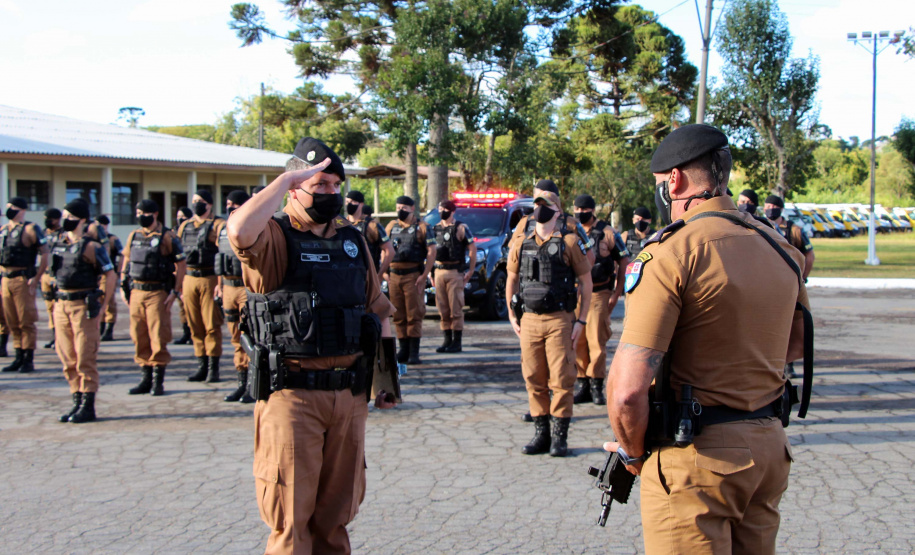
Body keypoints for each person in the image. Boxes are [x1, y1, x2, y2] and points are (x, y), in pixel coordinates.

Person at [604, 124, 810, 553]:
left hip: (695, 459)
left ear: (674, 181)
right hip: (768, 449)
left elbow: (626, 392)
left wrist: (634, 455)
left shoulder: (670, 253)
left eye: (661, 186)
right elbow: (793, 348)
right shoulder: (780, 250)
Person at [227, 137, 396, 554]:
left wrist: (386, 381)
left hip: (348, 395)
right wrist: (285, 179)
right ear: (295, 187)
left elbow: (378, 311)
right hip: (294, 396)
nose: (330, 193)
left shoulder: (352, 240)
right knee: (290, 523)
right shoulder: (275, 236)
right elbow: (239, 230)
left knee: (335, 521)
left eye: (335, 185)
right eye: (319, 184)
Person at [506, 190, 592, 457]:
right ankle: (541, 433)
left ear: (558, 210)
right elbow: (511, 277)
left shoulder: (568, 242)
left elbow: (586, 283)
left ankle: (559, 437)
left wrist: (581, 320)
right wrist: (511, 313)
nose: (540, 209)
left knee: (562, 379)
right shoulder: (521, 242)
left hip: (559, 320)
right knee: (533, 377)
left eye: (546, 205)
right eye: (537, 205)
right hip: (529, 318)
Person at [51, 199, 116, 423]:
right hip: (62, 304)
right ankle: (76, 402)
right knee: (67, 356)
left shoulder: (92, 247)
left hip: (82, 306)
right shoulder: (59, 243)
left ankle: (88, 406)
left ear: (82, 220)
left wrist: (104, 305)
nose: (66, 221)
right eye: (64, 217)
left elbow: (110, 275)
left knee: (84, 356)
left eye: (70, 217)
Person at [121, 199, 186, 396]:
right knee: (138, 335)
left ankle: (158, 381)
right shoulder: (134, 235)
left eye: (144, 212)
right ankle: (145, 378)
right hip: (137, 292)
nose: (140, 215)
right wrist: (124, 284)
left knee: (158, 335)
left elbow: (181, 264)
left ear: (155, 214)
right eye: (138, 211)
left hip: (158, 292)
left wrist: (175, 291)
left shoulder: (167, 236)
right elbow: (127, 260)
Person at [571, 194, 627, 406]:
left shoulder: (608, 233)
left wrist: (616, 292)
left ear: (592, 211)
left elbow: (623, 260)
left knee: (596, 340)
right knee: (578, 340)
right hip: (576, 294)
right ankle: (583, 383)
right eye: (577, 209)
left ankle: (596, 386)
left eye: (584, 210)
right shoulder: (572, 231)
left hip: (599, 293)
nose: (579, 213)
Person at [764, 194, 815, 379]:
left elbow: (809, 255)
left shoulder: (794, 230)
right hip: (771, 283)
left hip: (791, 283)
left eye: (773, 205)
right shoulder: (762, 226)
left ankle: (788, 364)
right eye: (767, 205)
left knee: (790, 323)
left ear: (780, 208)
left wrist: (803, 277)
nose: (769, 208)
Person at [177, 191, 225, 383]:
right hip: (189, 277)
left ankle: (213, 367)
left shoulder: (217, 225)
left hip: (210, 278)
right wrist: (179, 285)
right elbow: (178, 257)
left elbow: (223, 255)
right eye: (195, 201)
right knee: (194, 324)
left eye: (201, 202)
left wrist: (220, 284)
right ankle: (201, 365)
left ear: (210, 205)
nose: (197, 205)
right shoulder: (185, 226)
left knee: (211, 324)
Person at [384, 195, 436, 365]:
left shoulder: (422, 227)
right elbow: (383, 248)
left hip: (413, 275)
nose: (400, 210)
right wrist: (383, 272)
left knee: (414, 313)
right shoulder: (392, 226)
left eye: (404, 207)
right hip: (393, 274)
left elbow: (431, 251)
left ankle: (414, 352)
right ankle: (403, 350)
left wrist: (425, 275)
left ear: (412, 208)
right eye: (398, 207)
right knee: (398, 314)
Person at [0, 196, 49, 374]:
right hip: (6, 279)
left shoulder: (30, 229)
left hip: (22, 279)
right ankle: (18, 356)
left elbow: (45, 254)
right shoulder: (4, 229)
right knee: (11, 321)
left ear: (21, 209)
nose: (9, 210)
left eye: (12, 207)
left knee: (25, 321)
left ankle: (28, 359)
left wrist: (36, 278)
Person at [216, 189, 254, 404]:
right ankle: (241, 382)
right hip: (228, 287)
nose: (229, 207)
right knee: (235, 337)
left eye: (233, 204)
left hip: (246, 288)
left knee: (251, 336)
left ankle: (252, 383)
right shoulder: (224, 228)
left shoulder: (253, 225)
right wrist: (219, 285)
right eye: (228, 203)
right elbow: (220, 257)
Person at [508, 179, 594, 264]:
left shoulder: (572, 224)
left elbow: (589, 257)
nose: (542, 207)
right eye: (539, 201)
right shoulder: (525, 222)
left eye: (546, 202)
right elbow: (512, 255)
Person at [432, 200, 477, 353]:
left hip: (454, 272)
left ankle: (457, 342)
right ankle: (447, 340)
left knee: (455, 309)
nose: (442, 211)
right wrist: (431, 273)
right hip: (439, 272)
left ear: (452, 211)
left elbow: (472, 249)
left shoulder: (461, 228)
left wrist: (470, 270)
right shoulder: (435, 228)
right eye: (440, 208)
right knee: (442, 309)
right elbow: (430, 252)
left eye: (445, 208)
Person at [344, 190, 393, 278]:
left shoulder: (372, 225)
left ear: (361, 204)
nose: (349, 204)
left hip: (366, 276)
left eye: (353, 202)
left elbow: (390, 251)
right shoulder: (341, 224)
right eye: (347, 202)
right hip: (346, 275)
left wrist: (380, 274)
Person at [95, 215, 123, 341]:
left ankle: (109, 329)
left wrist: (118, 271)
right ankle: (100, 328)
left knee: (109, 301)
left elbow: (122, 255)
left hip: (108, 275)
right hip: (97, 275)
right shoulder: (94, 240)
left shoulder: (112, 239)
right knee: (97, 301)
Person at [40, 208, 63, 350]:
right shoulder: (43, 233)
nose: (47, 221)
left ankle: (61, 338)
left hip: (58, 275)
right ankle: (54, 336)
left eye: (50, 218)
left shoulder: (63, 234)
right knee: (49, 307)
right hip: (45, 274)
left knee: (59, 307)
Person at [173, 206, 193, 345]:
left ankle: (193, 333)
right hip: (181, 276)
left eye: (183, 217)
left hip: (192, 274)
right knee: (182, 308)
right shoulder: (175, 233)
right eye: (178, 216)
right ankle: (186, 332)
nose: (180, 219)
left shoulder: (191, 231)